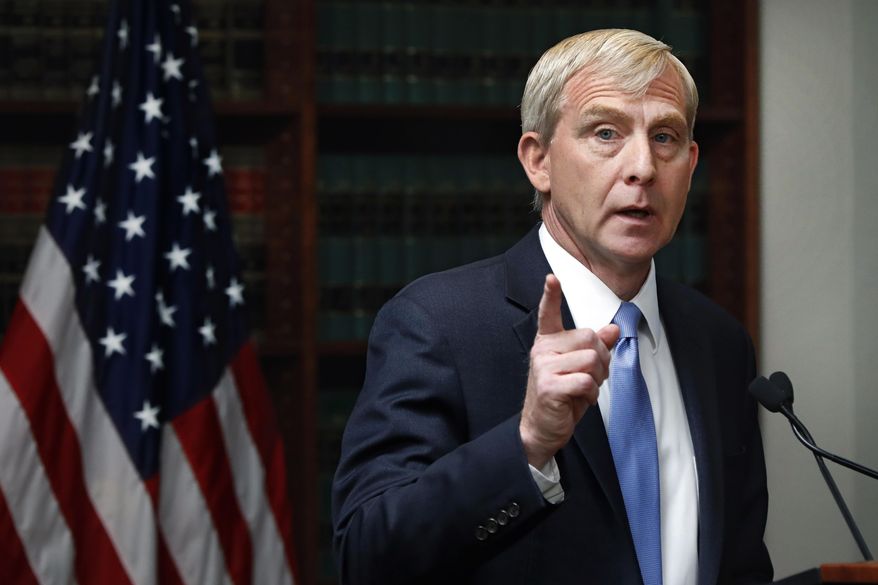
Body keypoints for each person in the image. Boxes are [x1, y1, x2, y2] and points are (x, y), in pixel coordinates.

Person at [332, 29, 772, 585]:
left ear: (690, 163)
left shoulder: (720, 342)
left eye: (665, 136)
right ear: (538, 160)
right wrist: (527, 444)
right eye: (606, 133)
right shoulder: (438, 323)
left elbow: (739, 562)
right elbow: (366, 556)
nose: (643, 167)